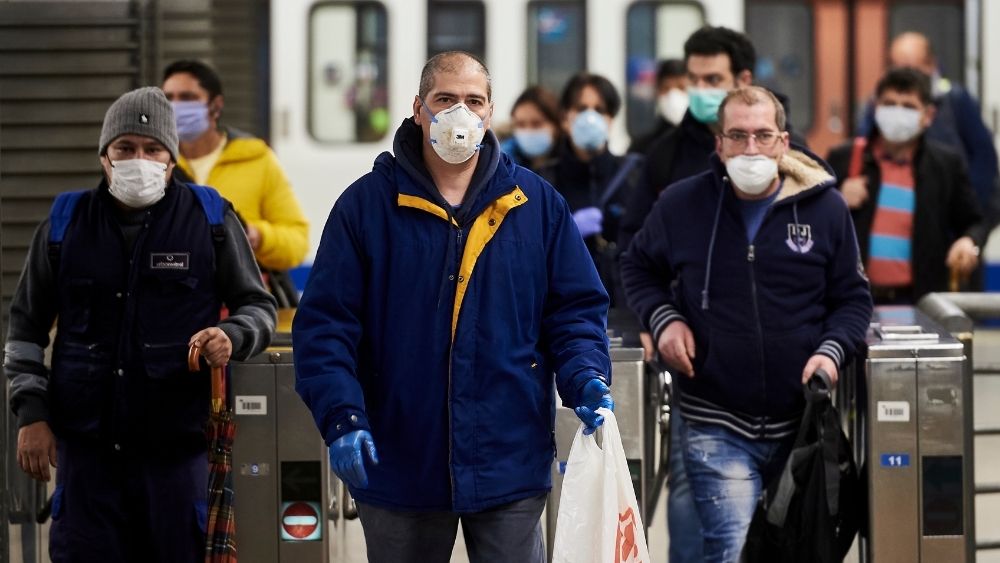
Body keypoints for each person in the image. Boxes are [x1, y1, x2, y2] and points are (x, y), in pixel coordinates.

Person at [291, 51, 613, 563]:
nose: (459, 114)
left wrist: (586, 376)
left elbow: (574, 311)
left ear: (489, 113)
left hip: (508, 459)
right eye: (445, 99)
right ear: (419, 109)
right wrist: (342, 414)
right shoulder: (365, 208)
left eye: (473, 101)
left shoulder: (536, 206)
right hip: (399, 462)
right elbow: (326, 326)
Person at [5, 87, 277, 562]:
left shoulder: (210, 217)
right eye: (125, 148)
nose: (139, 159)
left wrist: (230, 336)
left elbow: (258, 307)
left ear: (171, 160)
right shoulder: (65, 223)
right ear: (104, 158)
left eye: (153, 149)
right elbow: (24, 329)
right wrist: (31, 414)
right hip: (87, 459)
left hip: (176, 457)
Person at [621, 86, 872, 562]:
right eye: (737, 136)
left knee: (797, 551)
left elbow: (853, 299)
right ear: (719, 145)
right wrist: (665, 319)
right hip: (714, 419)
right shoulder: (683, 205)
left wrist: (832, 350)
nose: (750, 149)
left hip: (802, 423)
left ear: (783, 141)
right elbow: (637, 266)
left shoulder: (825, 208)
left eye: (762, 135)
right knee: (733, 550)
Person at [618, 26, 757, 563]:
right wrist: (653, 317)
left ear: (742, 80)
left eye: (713, 79)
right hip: (694, 361)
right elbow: (634, 247)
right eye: (694, 79)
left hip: (775, 369)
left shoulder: (786, 154)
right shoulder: (666, 156)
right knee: (691, 497)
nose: (700, 90)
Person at [828, 68, 986, 304]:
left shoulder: (945, 165)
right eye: (890, 103)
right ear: (875, 107)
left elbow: (974, 222)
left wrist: (968, 242)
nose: (898, 113)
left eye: (909, 106)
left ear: (928, 115)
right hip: (852, 301)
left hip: (918, 301)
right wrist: (837, 200)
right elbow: (807, 224)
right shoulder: (844, 158)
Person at [162, 59, 309, 304]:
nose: (176, 106)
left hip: (241, 310)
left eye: (187, 98)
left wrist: (255, 236)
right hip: (174, 306)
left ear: (215, 106)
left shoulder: (257, 160)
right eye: (168, 98)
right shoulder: (155, 163)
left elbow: (297, 244)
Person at [857, 32, 999, 219]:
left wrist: (968, 214)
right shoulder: (876, 105)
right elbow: (861, 150)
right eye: (896, 66)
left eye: (910, 66)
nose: (904, 75)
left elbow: (984, 159)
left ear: (930, 65)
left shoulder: (955, 101)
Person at [537, 72, 643, 308]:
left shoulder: (635, 176)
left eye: (600, 110)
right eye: (581, 108)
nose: (590, 117)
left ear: (611, 120)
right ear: (565, 118)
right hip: (561, 311)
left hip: (624, 311)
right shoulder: (542, 181)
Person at [629, 58, 689, 154]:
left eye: (681, 87)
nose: (673, 95)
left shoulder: (713, 141)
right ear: (657, 92)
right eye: (666, 88)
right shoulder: (642, 147)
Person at [499, 85, 562, 172]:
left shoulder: (574, 162)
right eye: (520, 124)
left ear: (556, 125)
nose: (528, 131)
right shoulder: (501, 165)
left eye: (536, 124)